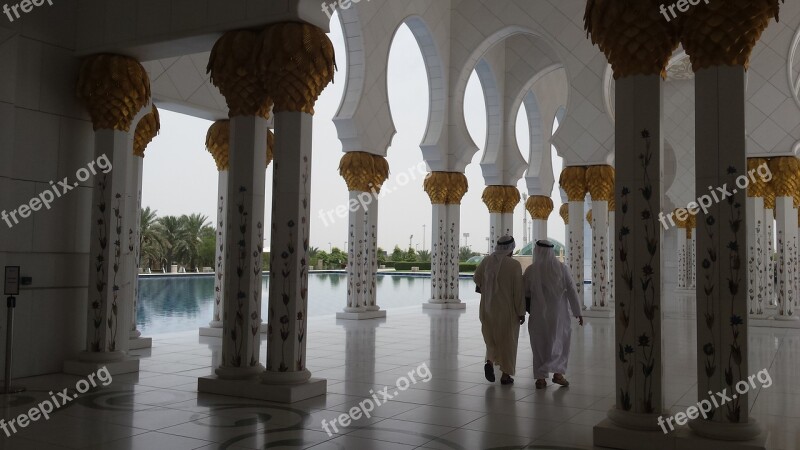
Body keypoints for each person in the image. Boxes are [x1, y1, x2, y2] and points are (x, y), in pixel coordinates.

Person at [524, 240, 583, 389]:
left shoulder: (531, 270)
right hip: (559, 314)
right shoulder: (562, 268)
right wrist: (578, 312)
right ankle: (558, 374)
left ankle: (540, 379)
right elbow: (571, 290)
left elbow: (524, 293)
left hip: (538, 314)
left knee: (539, 344)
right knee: (559, 342)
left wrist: (521, 311)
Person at [474, 235, 525, 385]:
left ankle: (489, 362)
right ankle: (505, 375)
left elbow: (477, 278)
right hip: (506, 309)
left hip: (487, 308)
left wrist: (486, 287)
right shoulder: (514, 265)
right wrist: (521, 312)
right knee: (508, 341)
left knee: (491, 339)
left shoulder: (487, 261)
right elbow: (518, 291)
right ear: (511, 249)